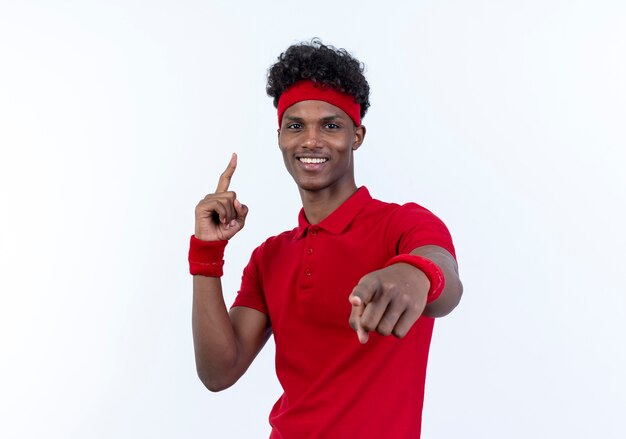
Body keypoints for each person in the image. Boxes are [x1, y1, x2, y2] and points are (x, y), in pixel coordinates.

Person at [189, 39, 463, 438]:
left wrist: (413, 275)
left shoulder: (403, 224)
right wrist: (206, 254)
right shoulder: (270, 256)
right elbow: (218, 372)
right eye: (295, 125)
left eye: (331, 125)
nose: (311, 140)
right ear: (280, 136)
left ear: (357, 135)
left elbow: (447, 283)